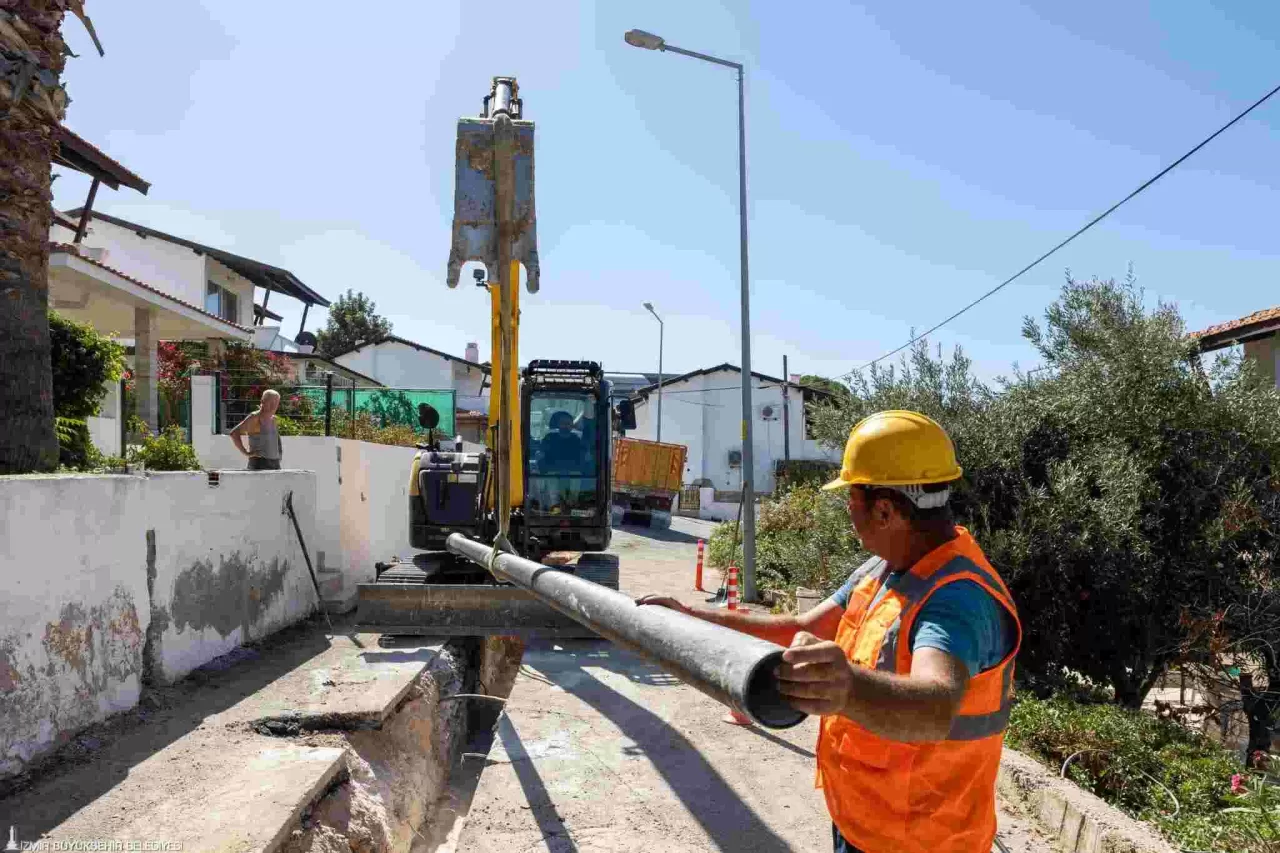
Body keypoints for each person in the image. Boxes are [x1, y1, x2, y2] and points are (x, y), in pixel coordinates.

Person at [637, 410, 1021, 853]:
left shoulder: (956, 600)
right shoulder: (884, 568)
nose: (846, 511)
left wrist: (847, 688)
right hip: (862, 824)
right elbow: (800, 627)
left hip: (920, 842)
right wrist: (691, 617)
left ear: (883, 510)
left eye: (851, 499)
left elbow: (937, 705)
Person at [230, 389, 283, 471]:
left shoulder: (274, 419)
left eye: (276, 402)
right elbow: (234, 433)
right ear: (263, 401)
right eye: (271, 402)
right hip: (259, 464)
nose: (274, 406)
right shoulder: (255, 417)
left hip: (275, 464)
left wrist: (279, 457)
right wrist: (246, 453)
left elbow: (276, 440)